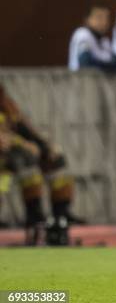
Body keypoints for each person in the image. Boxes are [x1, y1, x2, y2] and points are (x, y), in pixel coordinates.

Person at [0, 84, 81, 245]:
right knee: (27, 162)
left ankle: (60, 217)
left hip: (14, 152)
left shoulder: (7, 106)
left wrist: (44, 145)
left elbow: (24, 128)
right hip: (8, 155)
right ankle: (34, 218)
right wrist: (23, 144)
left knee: (56, 160)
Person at [68, 4, 116, 72]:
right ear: (87, 19)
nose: (104, 22)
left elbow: (114, 60)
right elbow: (86, 64)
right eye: (99, 17)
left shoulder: (104, 41)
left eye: (106, 18)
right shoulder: (82, 34)